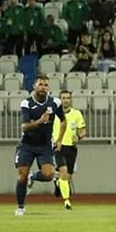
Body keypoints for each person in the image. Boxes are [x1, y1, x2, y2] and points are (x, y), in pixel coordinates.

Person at [14, 75, 66, 216]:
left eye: (46, 85)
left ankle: (33, 177)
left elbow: (63, 120)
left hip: (45, 146)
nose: (43, 87)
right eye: (40, 84)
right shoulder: (26, 103)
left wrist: (59, 139)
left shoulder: (55, 102)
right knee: (22, 176)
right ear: (34, 86)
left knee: (49, 174)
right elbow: (24, 126)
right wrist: (40, 121)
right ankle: (20, 207)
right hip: (27, 145)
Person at [30, 90, 85, 210]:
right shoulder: (54, 114)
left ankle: (55, 181)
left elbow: (83, 130)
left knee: (67, 176)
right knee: (63, 172)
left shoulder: (76, 114)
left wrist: (79, 136)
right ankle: (67, 202)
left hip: (71, 148)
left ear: (71, 100)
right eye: (63, 98)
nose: (66, 100)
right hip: (57, 146)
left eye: (68, 98)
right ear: (60, 100)